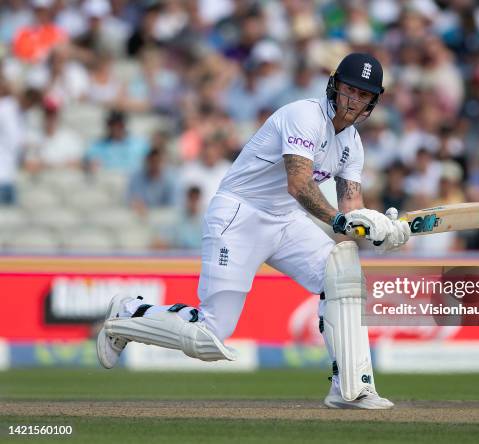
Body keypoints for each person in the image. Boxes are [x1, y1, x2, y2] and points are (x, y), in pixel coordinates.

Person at [96, 53, 410, 409]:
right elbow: (299, 185)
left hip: (285, 221)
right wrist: (343, 221)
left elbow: (352, 213)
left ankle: (351, 387)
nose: (354, 101)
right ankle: (129, 313)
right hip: (240, 213)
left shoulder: (352, 144)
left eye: (364, 94)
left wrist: (381, 230)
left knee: (344, 275)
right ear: (335, 86)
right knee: (209, 337)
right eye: (350, 90)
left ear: (374, 100)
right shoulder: (303, 116)